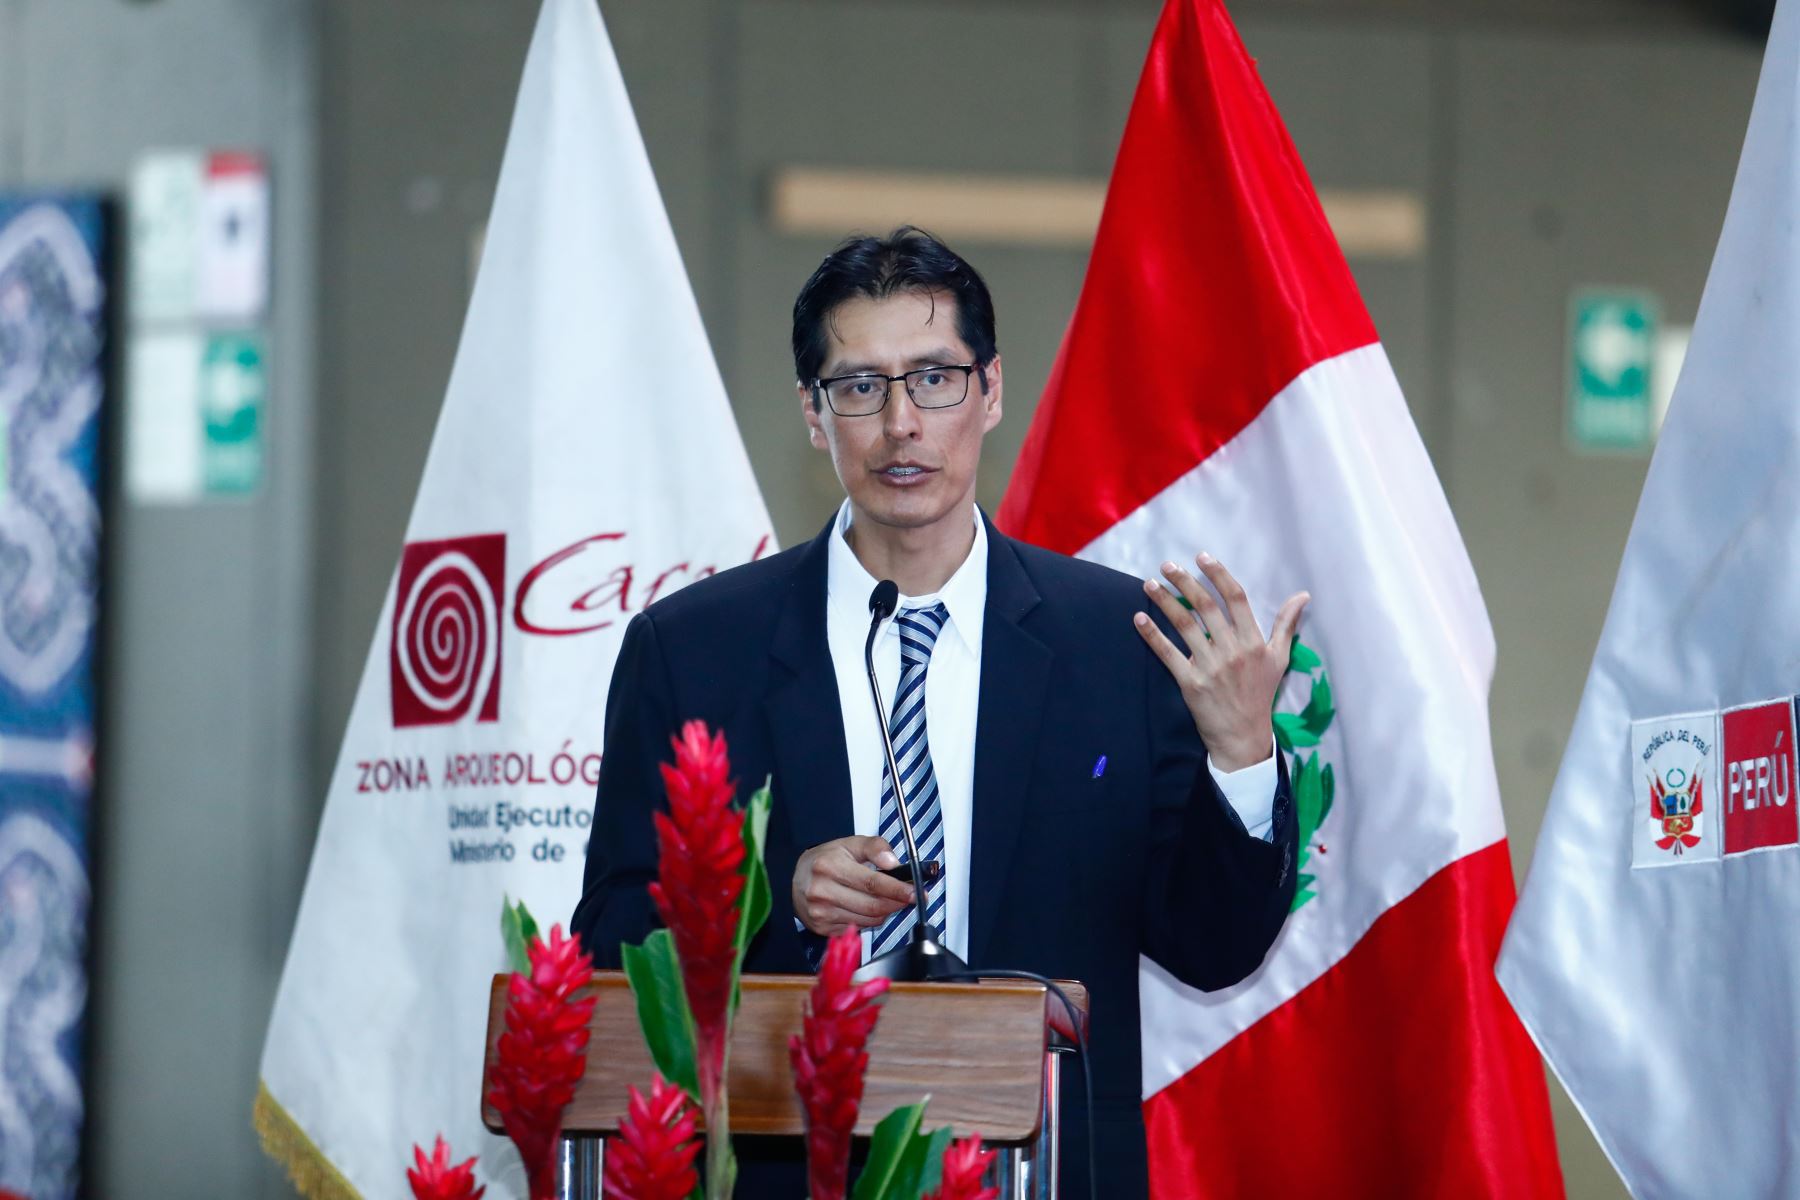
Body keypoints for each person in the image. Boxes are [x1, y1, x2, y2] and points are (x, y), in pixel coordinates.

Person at [572, 227, 1303, 1197]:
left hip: (1032, 1170)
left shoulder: (1115, 644)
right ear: (813, 413)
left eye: (935, 379)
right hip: (777, 1168)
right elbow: (609, 943)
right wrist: (769, 899)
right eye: (859, 387)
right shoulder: (695, 650)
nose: (900, 423)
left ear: (991, 392)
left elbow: (1213, 948)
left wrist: (1244, 750)